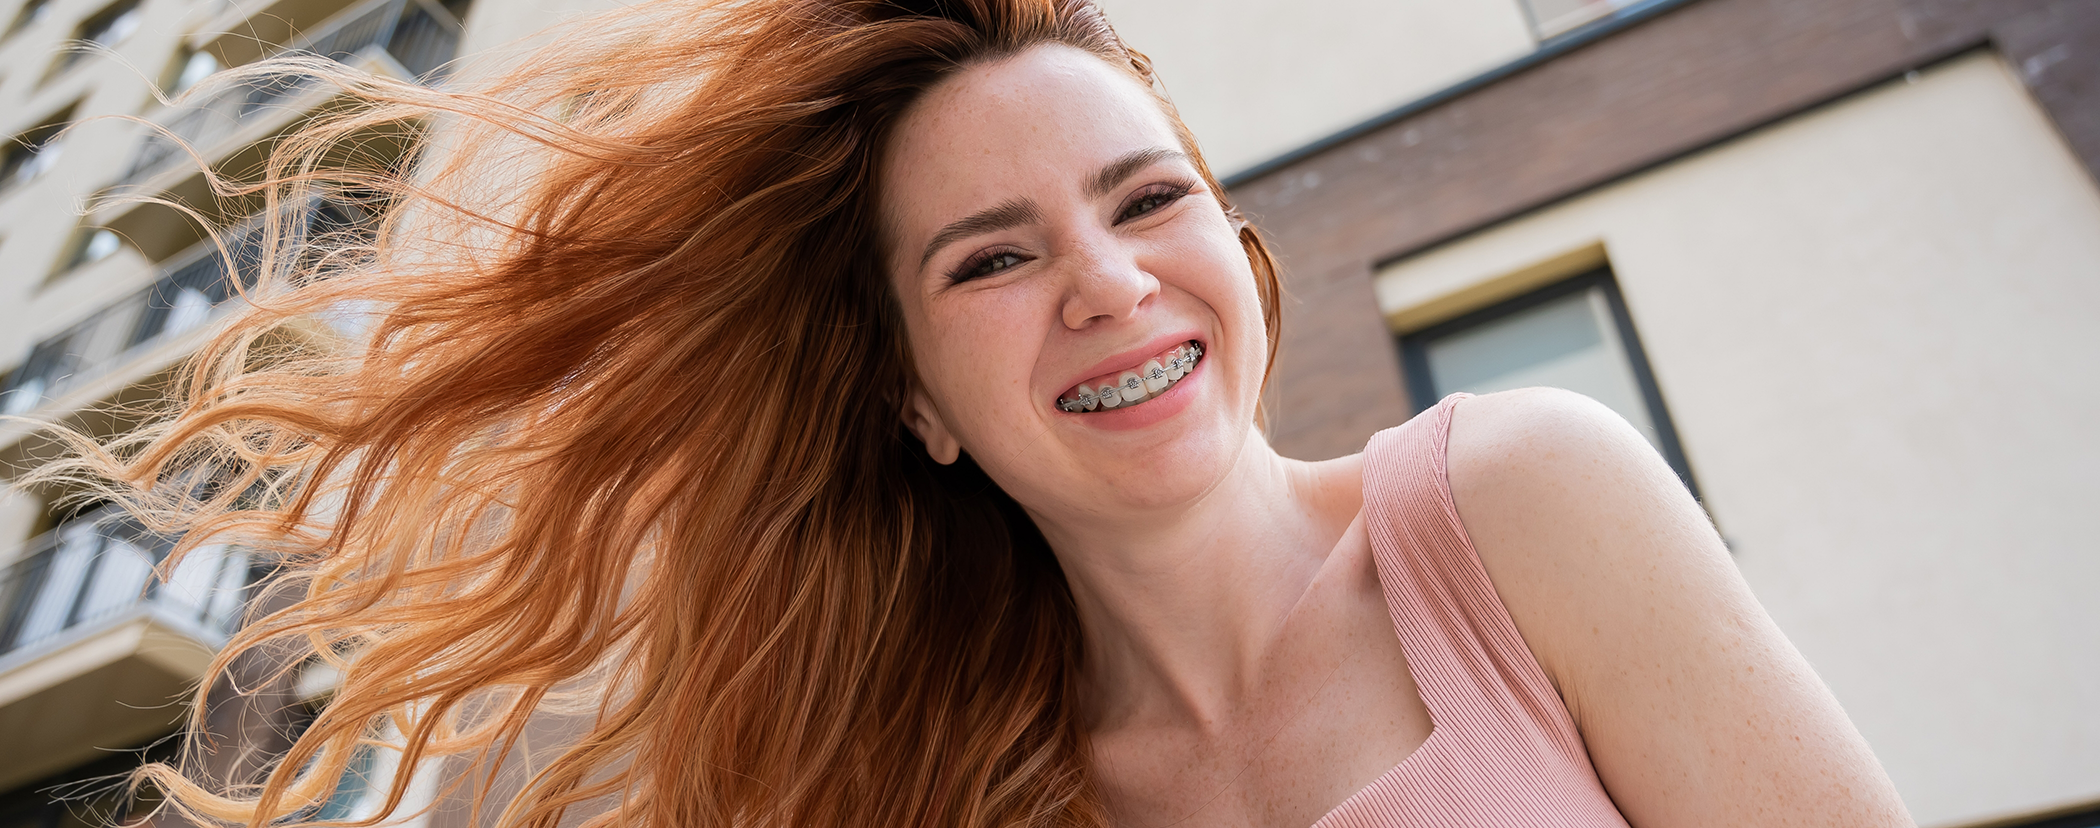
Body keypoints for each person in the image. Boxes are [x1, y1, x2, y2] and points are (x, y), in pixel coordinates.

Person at [48, 0, 1915, 825]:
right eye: (990, 261)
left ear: (1237, 257)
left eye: (1146, 198)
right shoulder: (958, 786)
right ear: (915, 405)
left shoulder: (1519, 503)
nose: (1106, 281)